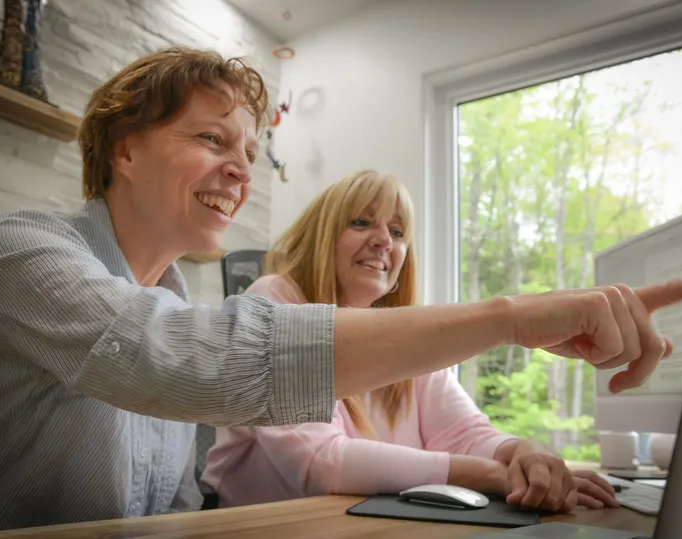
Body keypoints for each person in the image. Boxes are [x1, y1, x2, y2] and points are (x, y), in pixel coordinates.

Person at [0, 46, 682, 535]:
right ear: (123, 148)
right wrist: (511, 316)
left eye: (249, 149)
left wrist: (514, 450)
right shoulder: (19, 251)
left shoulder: (181, 307)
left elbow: (167, 510)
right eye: (212, 140)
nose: (242, 170)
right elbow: (189, 360)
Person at [202, 171, 620, 512]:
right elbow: (320, 463)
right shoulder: (273, 300)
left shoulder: (401, 333)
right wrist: (492, 474)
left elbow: (462, 432)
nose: (385, 240)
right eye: (361, 222)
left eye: (398, 232)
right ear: (322, 235)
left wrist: (517, 452)